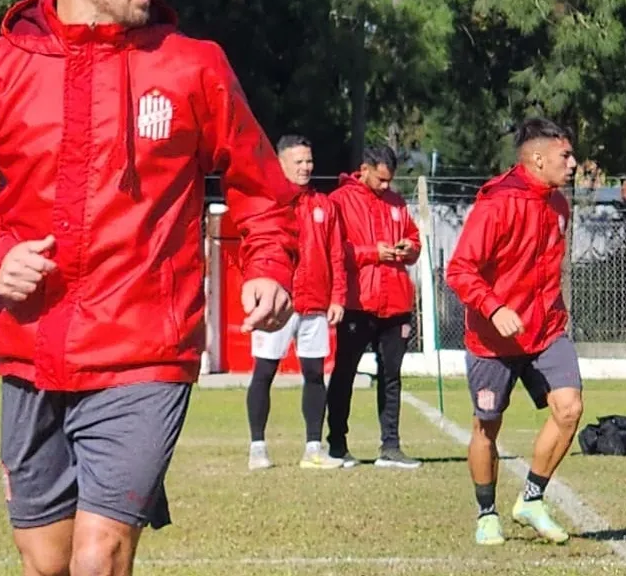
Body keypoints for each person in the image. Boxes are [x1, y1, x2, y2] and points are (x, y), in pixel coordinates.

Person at [0, 0, 299, 576]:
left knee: (101, 557)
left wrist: (270, 264)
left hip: (145, 349)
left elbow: (259, 184)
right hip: (31, 350)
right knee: (48, 561)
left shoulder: (193, 66)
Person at [445, 117, 582, 546]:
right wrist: (494, 306)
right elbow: (460, 270)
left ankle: (532, 498)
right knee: (487, 426)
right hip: (493, 339)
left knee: (570, 409)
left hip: (546, 331)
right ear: (538, 158)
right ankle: (487, 513)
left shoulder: (559, 203)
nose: (574, 163)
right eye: (565, 155)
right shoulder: (497, 204)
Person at [246, 135, 347, 471]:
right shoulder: (268, 203)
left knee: (315, 374)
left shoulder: (325, 205)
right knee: (264, 371)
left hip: (315, 303)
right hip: (279, 302)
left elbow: (335, 254)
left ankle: (313, 449)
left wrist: (337, 297)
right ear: (281, 164)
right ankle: (257, 448)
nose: (306, 167)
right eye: (299, 161)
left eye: (309, 160)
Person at [325, 144, 422, 469]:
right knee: (344, 373)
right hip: (358, 301)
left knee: (391, 376)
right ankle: (337, 445)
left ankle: (390, 447)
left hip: (395, 302)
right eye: (380, 179)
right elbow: (336, 251)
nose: (385, 186)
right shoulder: (340, 201)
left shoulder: (396, 201)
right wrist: (372, 253)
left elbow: (413, 237)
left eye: (389, 180)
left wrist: (409, 247)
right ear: (364, 169)